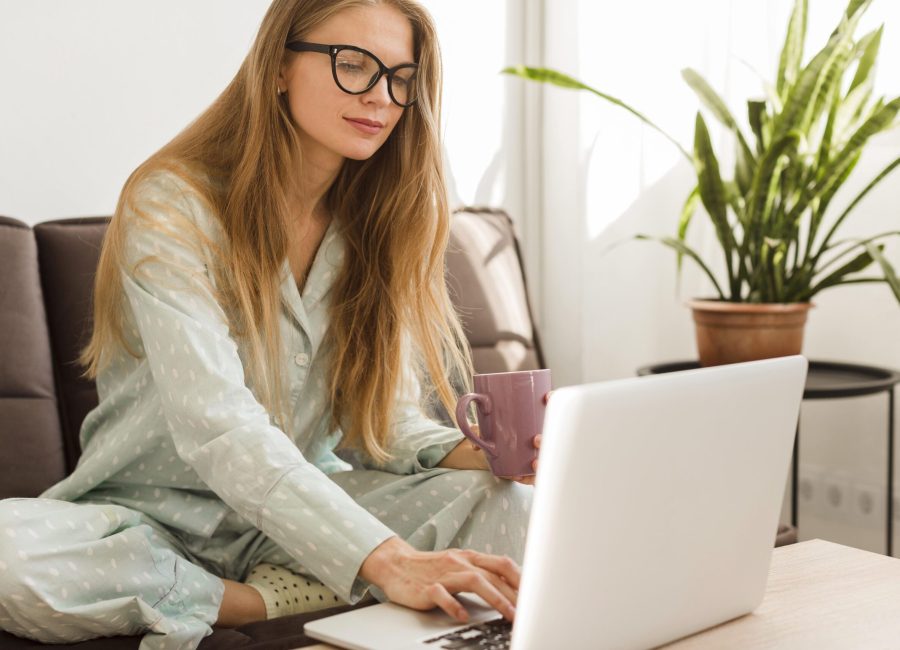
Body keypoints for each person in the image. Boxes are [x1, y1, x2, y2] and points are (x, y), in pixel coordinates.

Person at [0, 0, 539, 647]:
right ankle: (252, 602)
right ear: (279, 66)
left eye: (400, 78)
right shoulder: (173, 206)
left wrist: (494, 454)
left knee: (506, 502)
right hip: (148, 521)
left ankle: (322, 573)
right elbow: (220, 429)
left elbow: (384, 425)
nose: (381, 98)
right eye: (353, 65)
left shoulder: (376, 223)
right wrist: (388, 560)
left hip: (304, 518)